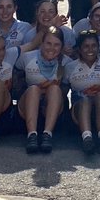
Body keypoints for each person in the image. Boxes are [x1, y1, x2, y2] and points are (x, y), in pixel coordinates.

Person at [66, 29, 100, 155]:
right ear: (79, 49)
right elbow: (63, 90)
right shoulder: (70, 66)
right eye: (86, 46)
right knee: (85, 100)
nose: (90, 50)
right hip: (79, 109)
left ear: (99, 48)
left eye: (94, 46)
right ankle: (87, 138)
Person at [17, 25, 67, 154]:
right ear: (41, 43)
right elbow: (15, 79)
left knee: (55, 89)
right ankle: (32, 135)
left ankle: (47, 134)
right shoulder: (26, 58)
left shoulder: (67, 63)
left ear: (62, 47)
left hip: (51, 108)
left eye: (56, 45)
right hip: (28, 105)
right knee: (34, 89)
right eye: (48, 43)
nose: (51, 48)